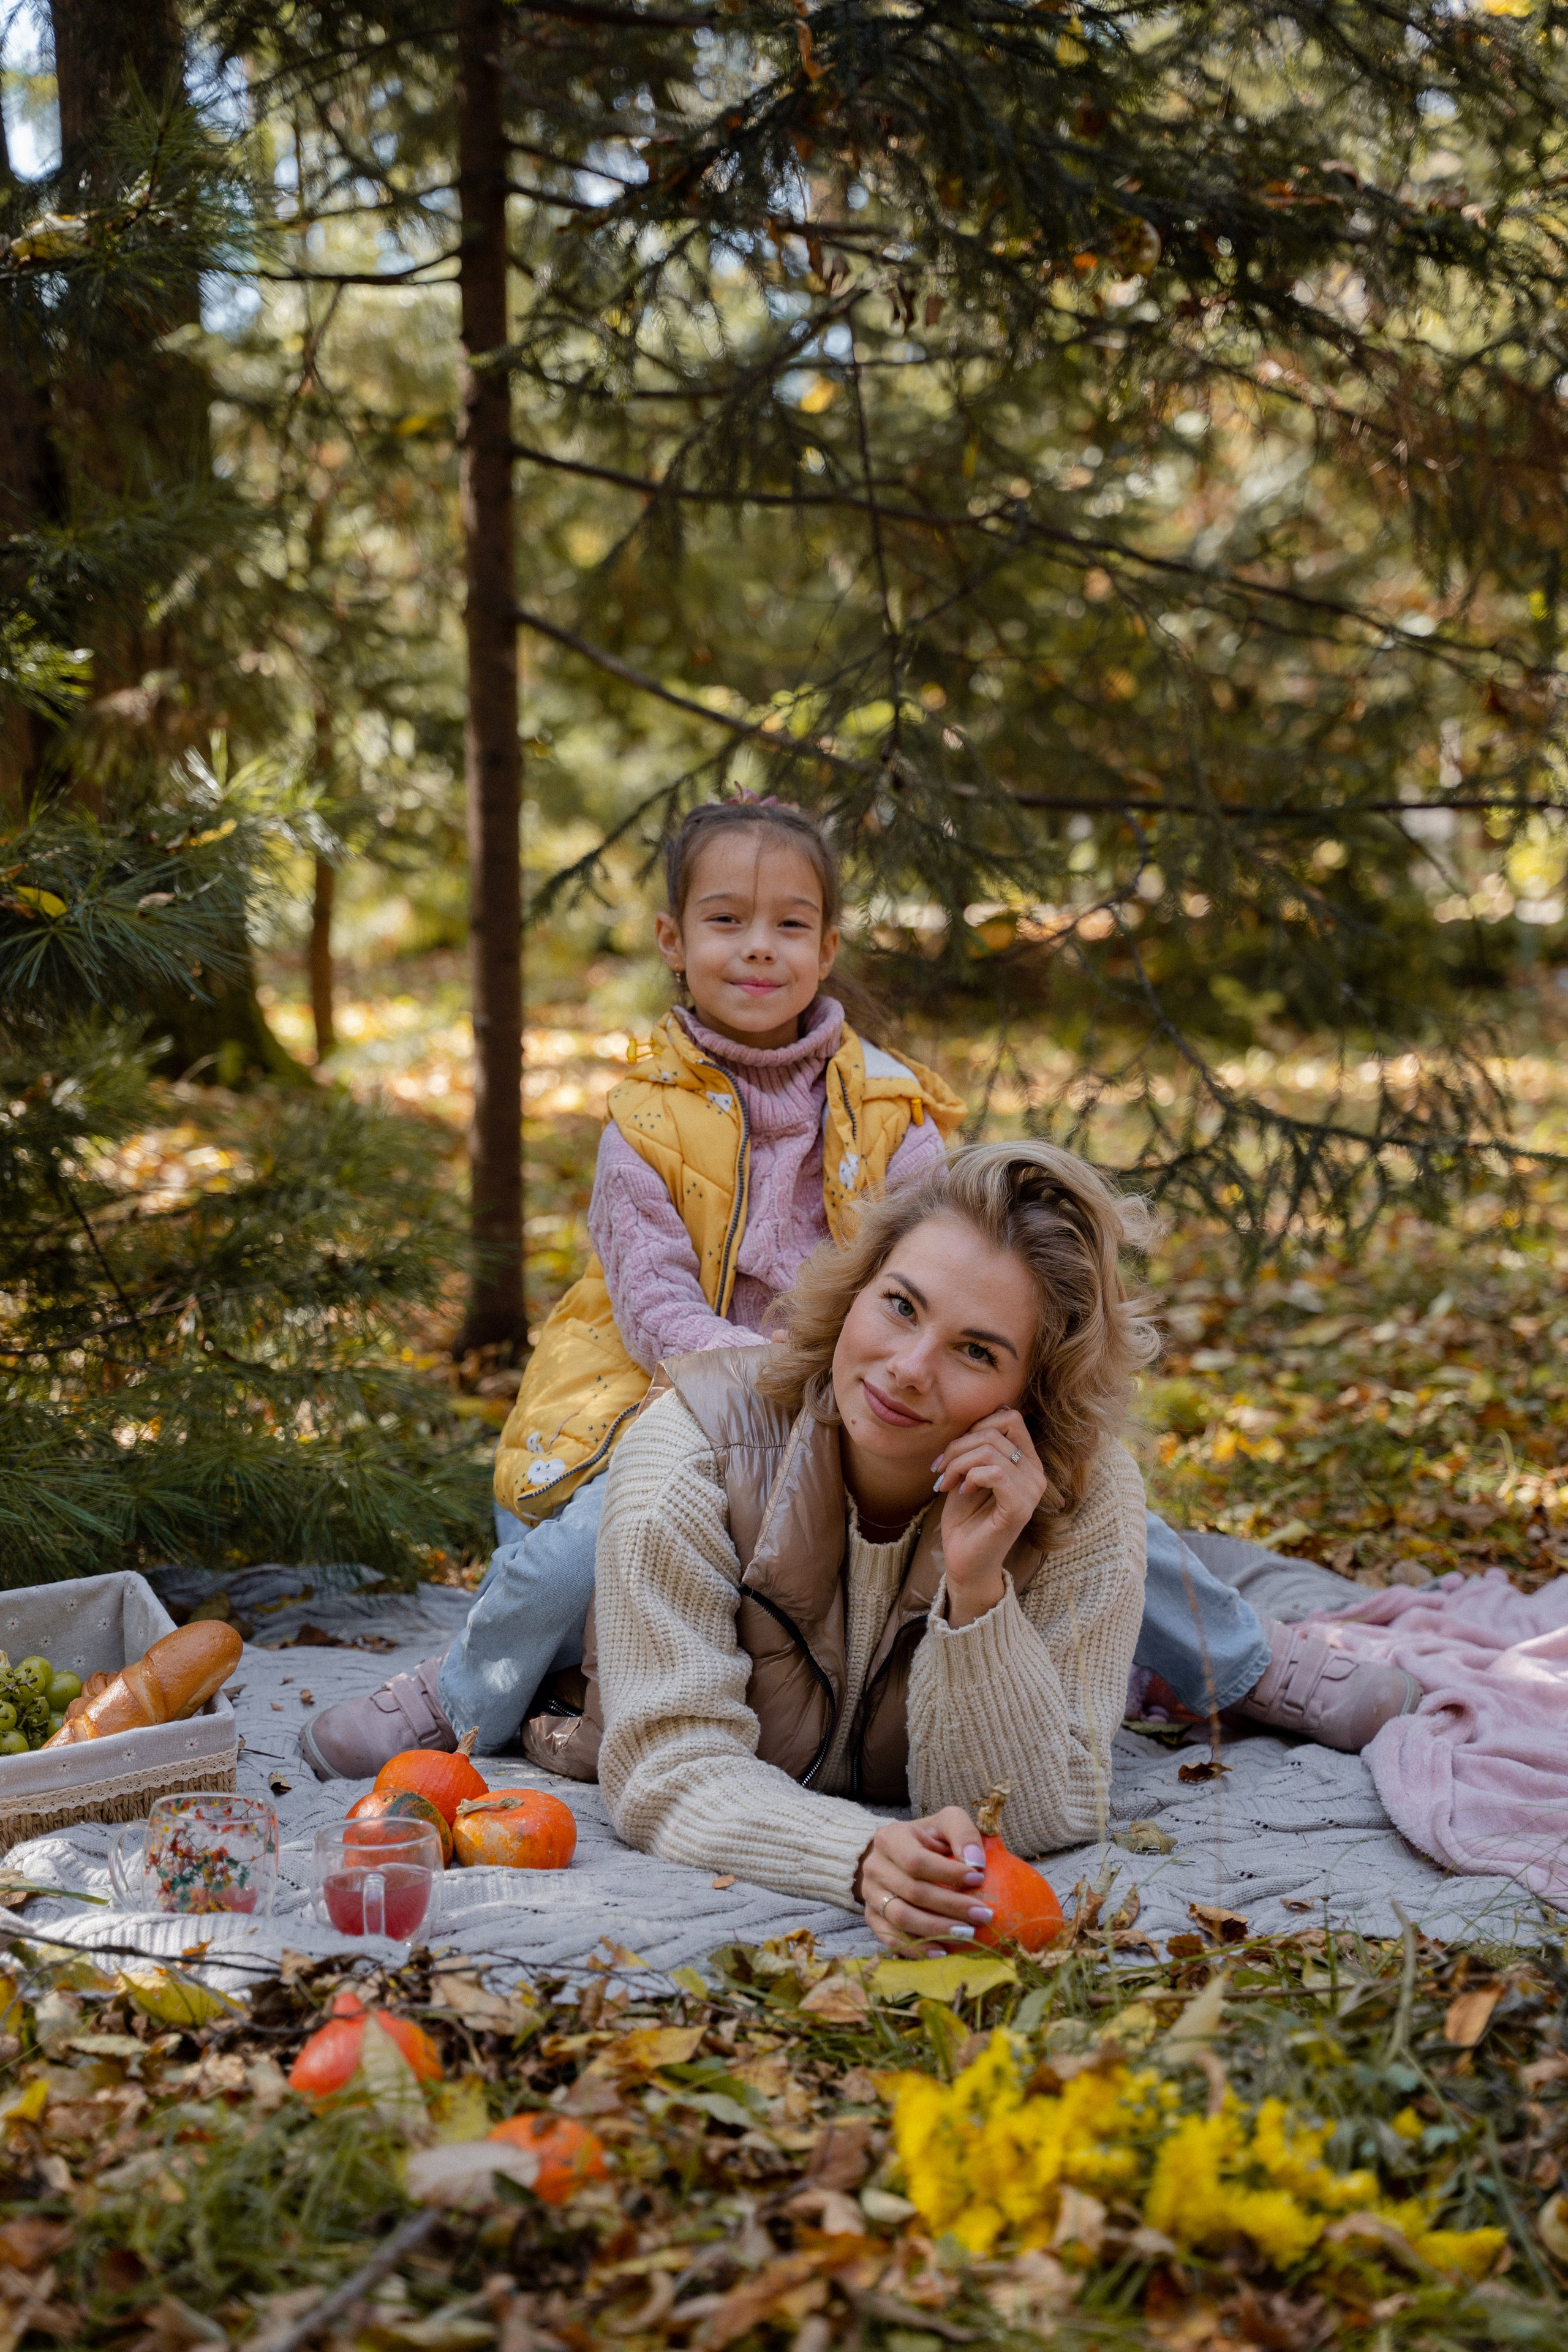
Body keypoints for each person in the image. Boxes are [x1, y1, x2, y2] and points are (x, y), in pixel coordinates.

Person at [301, 797, 1414, 1784]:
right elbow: (655, 1313)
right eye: (726, 921)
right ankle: (460, 1692)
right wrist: (782, 1390)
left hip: (874, 1389)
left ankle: (1253, 1665)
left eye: (790, 924)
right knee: (581, 1542)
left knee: (1073, 1497)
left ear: (827, 946)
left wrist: (881, 1377)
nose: (758, 948)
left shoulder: (894, 1112)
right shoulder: (641, 1124)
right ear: (672, 943)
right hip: (673, 1402)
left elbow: (946, 1266)